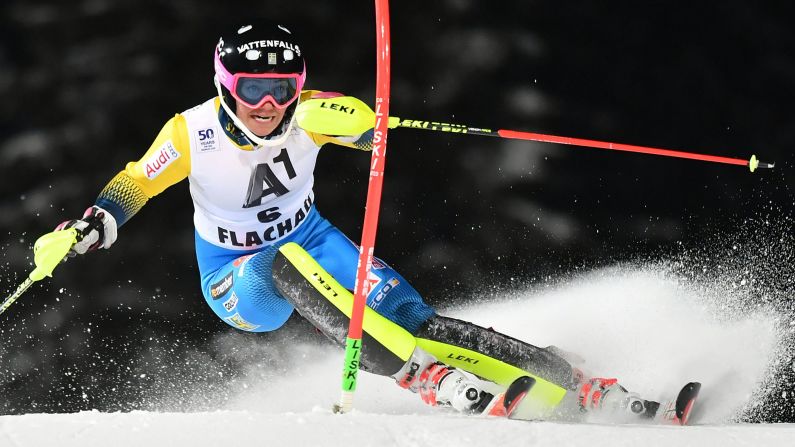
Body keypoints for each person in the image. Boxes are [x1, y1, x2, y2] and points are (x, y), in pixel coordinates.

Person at [54, 19, 651, 420]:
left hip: (314, 239)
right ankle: (418, 376)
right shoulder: (192, 131)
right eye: (253, 88)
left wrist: (372, 132)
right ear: (225, 84)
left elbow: (358, 118)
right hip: (237, 277)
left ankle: (573, 382)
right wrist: (90, 225)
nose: (267, 106)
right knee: (283, 264)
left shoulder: (307, 114)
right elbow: (137, 179)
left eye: (282, 89)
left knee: (413, 317)